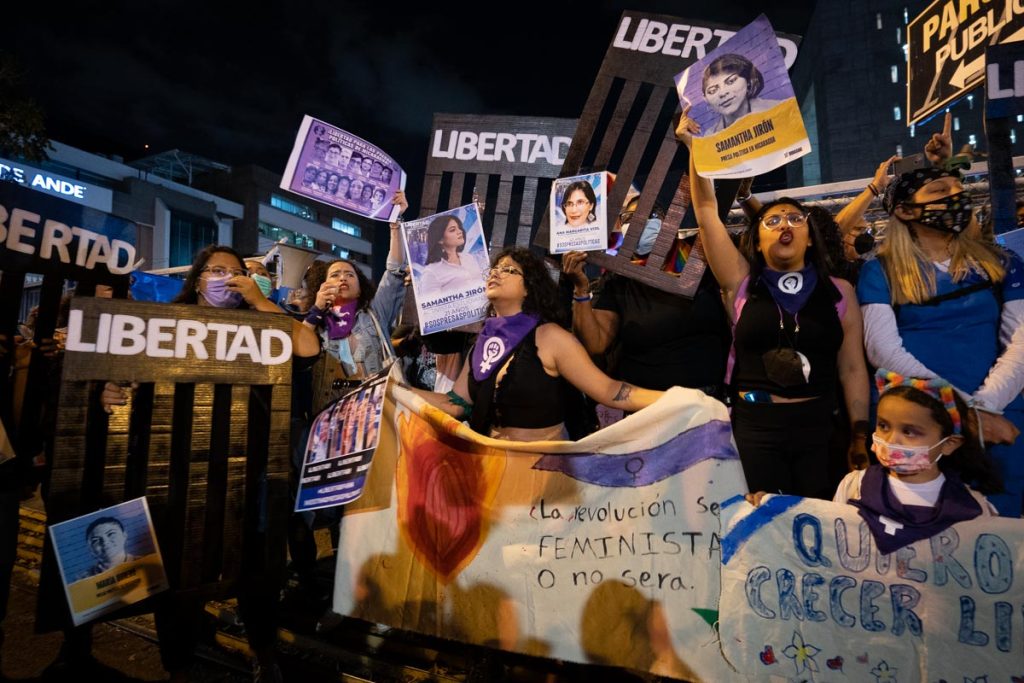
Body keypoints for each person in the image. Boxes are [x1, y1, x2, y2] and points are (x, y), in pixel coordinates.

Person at [679, 108, 870, 499]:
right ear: (758, 239)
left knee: (818, 525)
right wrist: (695, 148)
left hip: (819, 427)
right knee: (760, 530)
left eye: (795, 219)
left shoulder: (839, 291)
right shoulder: (740, 282)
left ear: (811, 238)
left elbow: (851, 366)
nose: (784, 224)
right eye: (772, 220)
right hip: (754, 427)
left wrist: (860, 432)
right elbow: (706, 212)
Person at [858, 125, 1024, 516]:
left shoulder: (1002, 263)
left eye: (955, 187)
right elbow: (883, 350)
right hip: (918, 424)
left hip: (1001, 415)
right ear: (905, 211)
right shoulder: (880, 271)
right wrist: (963, 413)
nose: (954, 195)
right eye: (938, 191)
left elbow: (1020, 341)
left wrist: (986, 407)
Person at [413, 247, 665, 441]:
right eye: (494, 269)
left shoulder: (550, 337)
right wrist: (396, 388)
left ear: (528, 288)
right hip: (493, 472)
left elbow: (610, 390)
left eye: (510, 270)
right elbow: (455, 404)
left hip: (542, 479)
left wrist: (676, 398)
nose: (496, 273)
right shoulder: (483, 340)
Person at [563, 193, 730, 398]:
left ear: (667, 220)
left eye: (649, 213)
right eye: (629, 218)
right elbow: (596, 343)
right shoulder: (619, 280)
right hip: (646, 403)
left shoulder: (700, 258)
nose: (639, 222)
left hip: (708, 399)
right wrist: (580, 288)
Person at [831, 371, 1000, 552]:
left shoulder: (972, 506)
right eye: (883, 426)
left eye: (909, 432)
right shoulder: (854, 486)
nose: (891, 440)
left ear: (949, 444)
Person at [304, 192, 408, 406]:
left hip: (374, 412)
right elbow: (296, 353)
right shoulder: (315, 322)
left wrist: (395, 224)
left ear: (361, 289)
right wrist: (315, 311)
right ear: (321, 286)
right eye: (334, 275)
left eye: (350, 275)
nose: (343, 277)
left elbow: (394, 272)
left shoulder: (375, 313)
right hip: (327, 417)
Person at [699, 54, 780, 134]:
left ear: (748, 81)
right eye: (712, 91)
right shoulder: (709, 136)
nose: (722, 93)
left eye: (731, 81)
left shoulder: (778, 110)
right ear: (705, 99)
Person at [417, 214, 485, 296]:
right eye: (452, 230)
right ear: (440, 239)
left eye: (459, 228)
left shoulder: (469, 258)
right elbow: (429, 306)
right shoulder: (431, 272)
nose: (460, 231)